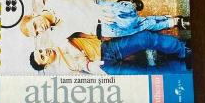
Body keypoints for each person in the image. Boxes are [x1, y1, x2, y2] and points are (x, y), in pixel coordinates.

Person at [19, 0, 177, 43]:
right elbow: (73, 46)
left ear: (33, 15)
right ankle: (172, 21)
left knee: (130, 16)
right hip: (102, 29)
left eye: (35, 25)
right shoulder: (56, 35)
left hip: (100, 9)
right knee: (138, 26)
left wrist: (93, 8)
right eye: (37, 33)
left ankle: (127, 5)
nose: (40, 29)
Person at [30, 31, 191, 74]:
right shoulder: (62, 71)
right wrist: (85, 63)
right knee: (147, 75)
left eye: (41, 51)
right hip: (106, 69)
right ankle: (183, 68)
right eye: (42, 57)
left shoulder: (58, 40)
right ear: (46, 65)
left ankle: (184, 50)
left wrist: (82, 59)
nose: (45, 52)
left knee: (145, 39)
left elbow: (69, 44)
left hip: (106, 48)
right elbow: (82, 69)